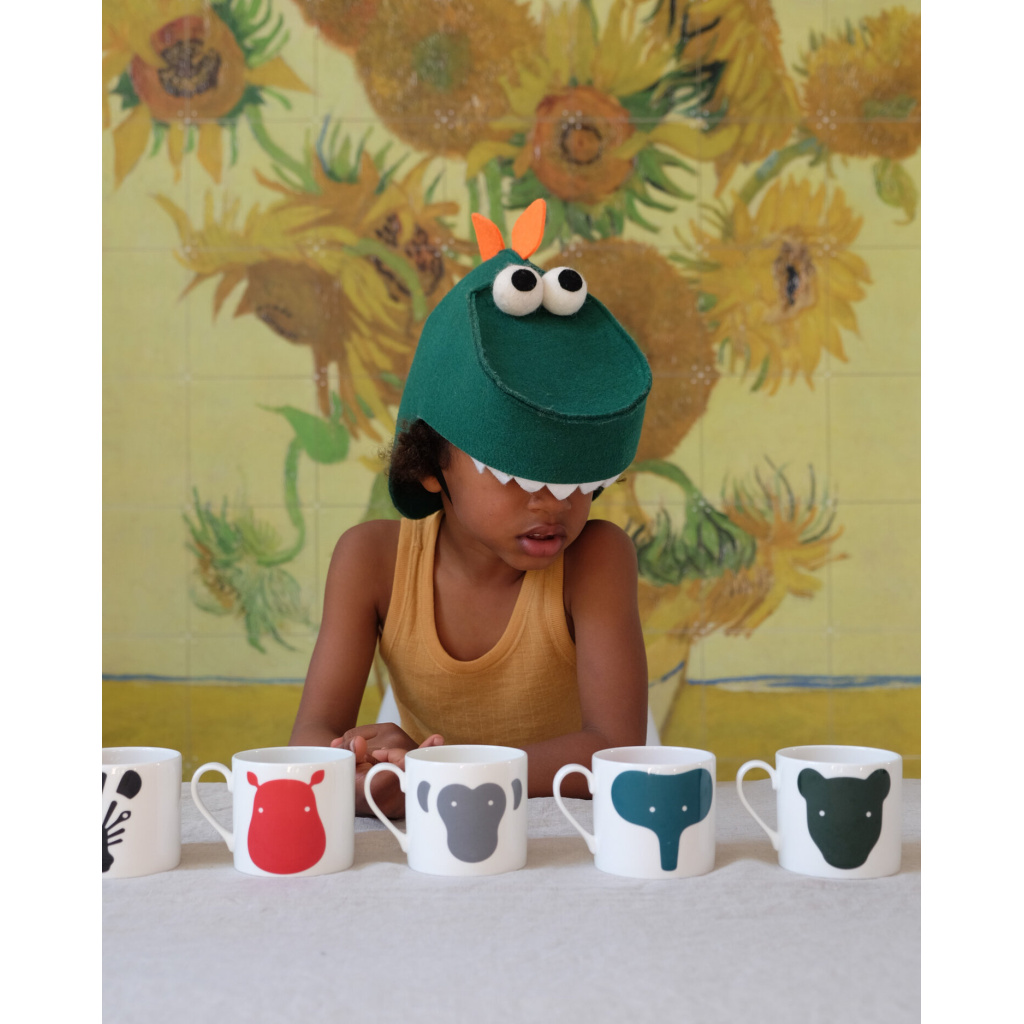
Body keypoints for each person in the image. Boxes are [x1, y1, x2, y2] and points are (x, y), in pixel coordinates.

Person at [289, 199, 653, 817]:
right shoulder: (371, 562)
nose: (554, 503)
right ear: (430, 463)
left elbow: (613, 752)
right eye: (517, 476)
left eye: (576, 481)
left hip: (572, 832)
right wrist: (363, 766)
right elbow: (309, 740)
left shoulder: (596, 559)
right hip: (445, 829)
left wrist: (439, 770)